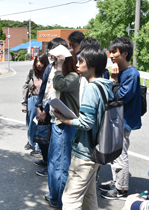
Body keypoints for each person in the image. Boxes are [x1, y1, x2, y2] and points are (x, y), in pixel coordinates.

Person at [53, 45, 113, 209]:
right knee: (89, 196)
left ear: (92, 64)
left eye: (81, 61)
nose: (77, 64)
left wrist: (65, 119)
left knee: (70, 200)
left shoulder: (91, 88)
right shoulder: (106, 85)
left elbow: (86, 123)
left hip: (85, 154)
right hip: (98, 150)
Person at [37, 39, 80, 208]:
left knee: (61, 163)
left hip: (66, 125)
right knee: (54, 162)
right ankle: (54, 194)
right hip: (58, 122)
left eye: (58, 60)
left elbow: (58, 84)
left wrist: (59, 66)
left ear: (66, 62)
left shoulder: (73, 77)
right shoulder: (67, 75)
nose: (55, 63)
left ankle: (58, 199)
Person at [99, 37, 142, 200]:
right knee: (114, 153)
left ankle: (122, 190)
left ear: (125, 53)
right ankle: (117, 182)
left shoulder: (131, 73)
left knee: (120, 154)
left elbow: (121, 97)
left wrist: (114, 81)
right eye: (110, 51)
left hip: (124, 121)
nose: (111, 55)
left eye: (114, 52)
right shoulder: (123, 72)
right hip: (116, 119)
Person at [34, 38, 69, 170]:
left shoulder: (63, 69)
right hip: (43, 106)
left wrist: (45, 110)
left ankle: (51, 167)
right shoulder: (50, 66)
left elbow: (55, 92)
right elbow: (44, 87)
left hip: (54, 108)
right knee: (42, 137)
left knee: (51, 140)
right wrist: (38, 107)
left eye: (52, 50)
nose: (50, 53)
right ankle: (46, 160)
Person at [21, 53, 50, 156]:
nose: (38, 64)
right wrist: (24, 104)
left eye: (41, 62)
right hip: (32, 99)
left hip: (44, 100)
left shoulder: (49, 72)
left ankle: (38, 147)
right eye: (37, 61)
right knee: (30, 122)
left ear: (45, 62)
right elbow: (25, 86)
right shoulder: (32, 72)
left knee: (40, 123)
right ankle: (31, 141)